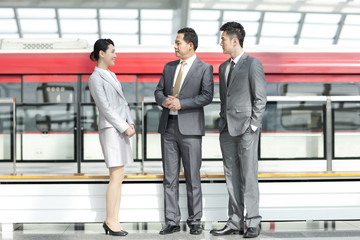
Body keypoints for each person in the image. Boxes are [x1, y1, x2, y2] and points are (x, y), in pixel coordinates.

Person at [154, 27, 214, 235]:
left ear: (190, 45)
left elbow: (207, 96)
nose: (175, 46)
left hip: (190, 129)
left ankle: (195, 220)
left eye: (178, 42)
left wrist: (182, 103)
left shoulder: (204, 68)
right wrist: (165, 101)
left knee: (192, 177)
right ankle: (171, 221)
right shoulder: (169, 67)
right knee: (169, 177)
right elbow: (158, 91)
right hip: (168, 128)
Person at [209, 22, 267, 238]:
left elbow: (261, 98)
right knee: (231, 176)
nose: (220, 43)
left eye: (222, 39)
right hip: (227, 131)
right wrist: (223, 122)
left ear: (235, 40)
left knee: (249, 176)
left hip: (246, 130)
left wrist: (253, 126)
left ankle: (253, 221)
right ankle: (234, 222)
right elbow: (226, 100)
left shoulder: (253, 64)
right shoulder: (223, 67)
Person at [88, 39, 135, 237]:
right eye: (112, 51)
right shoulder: (95, 78)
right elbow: (105, 107)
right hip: (111, 130)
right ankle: (110, 220)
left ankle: (114, 219)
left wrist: (130, 122)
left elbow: (122, 103)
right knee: (115, 176)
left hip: (121, 129)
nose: (115, 55)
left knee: (119, 175)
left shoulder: (112, 75)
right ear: (101, 53)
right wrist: (124, 126)